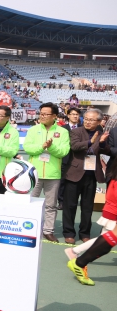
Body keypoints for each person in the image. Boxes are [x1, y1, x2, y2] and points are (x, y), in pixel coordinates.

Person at [24, 102, 70, 242]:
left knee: (51, 205)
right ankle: (29, 228)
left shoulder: (63, 132)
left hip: (53, 174)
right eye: (41, 113)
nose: (42, 116)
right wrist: (42, 146)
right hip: (34, 174)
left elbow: (63, 152)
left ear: (54, 116)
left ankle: (48, 231)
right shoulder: (33, 130)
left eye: (46, 114)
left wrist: (51, 148)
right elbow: (27, 147)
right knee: (30, 202)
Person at [62, 109, 108, 244]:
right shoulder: (76, 131)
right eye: (86, 119)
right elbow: (75, 146)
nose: (87, 121)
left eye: (91, 120)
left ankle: (85, 233)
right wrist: (89, 142)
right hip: (74, 174)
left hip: (92, 175)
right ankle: (69, 232)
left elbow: (106, 151)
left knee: (87, 207)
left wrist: (101, 143)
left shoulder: (103, 134)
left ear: (99, 121)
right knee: (69, 206)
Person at [58, 107, 82, 209]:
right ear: (68, 116)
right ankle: (61, 201)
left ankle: (74, 200)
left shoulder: (82, 128)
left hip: (79, 159)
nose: (75, 116)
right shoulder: (63, 129)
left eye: (77, 114)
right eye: (73, 114)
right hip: (65, 159)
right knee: (62, 181)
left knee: (77, 181)